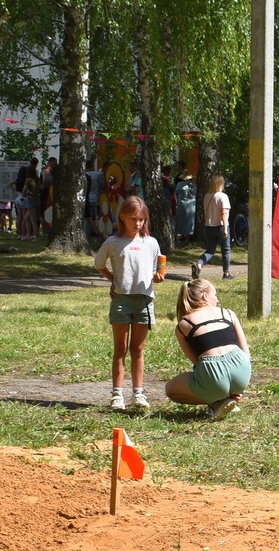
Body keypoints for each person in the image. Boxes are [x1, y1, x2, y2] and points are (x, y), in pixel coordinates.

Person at [93, 195, 165, 411]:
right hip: (122, 301)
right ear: (122, 217)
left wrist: (158, 276)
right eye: (133, 219)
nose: (138, 223)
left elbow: (157, 268)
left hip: (144, 301)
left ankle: (138, 393)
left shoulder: (150, 243)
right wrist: (113, 280)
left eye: (142, 219)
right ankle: (117, 395)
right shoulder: (114, 243)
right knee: (120, 349)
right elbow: (99, 263)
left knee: (138, 349)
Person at [165, 278, 252, 421]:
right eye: (215, 295)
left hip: (213, 373)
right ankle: (228, 395)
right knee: (224, 380)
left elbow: (197, 362)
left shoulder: (184, 324)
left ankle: (217, 401)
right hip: (241, 369)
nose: (217, 300)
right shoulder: (228, 313)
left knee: (170, 390)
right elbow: (245, 351)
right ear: (205, 296)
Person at [192, 175, 232, 280]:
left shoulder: (207, 196)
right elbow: (223, 213)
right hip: (220, 226)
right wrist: (225, 229)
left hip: (209, 226)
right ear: (221, 184)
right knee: (226, 250)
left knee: (210, 251)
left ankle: (199, 264)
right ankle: (226, 273)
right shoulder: (223, 196)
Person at [174, 172, 197, 245]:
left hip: (181, 204)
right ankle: (187, 239)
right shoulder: (194, 185)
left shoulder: (179, 184)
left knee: (180, 221)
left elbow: (176, 193)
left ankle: (178, 238)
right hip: (191, 205)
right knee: (189, 222)